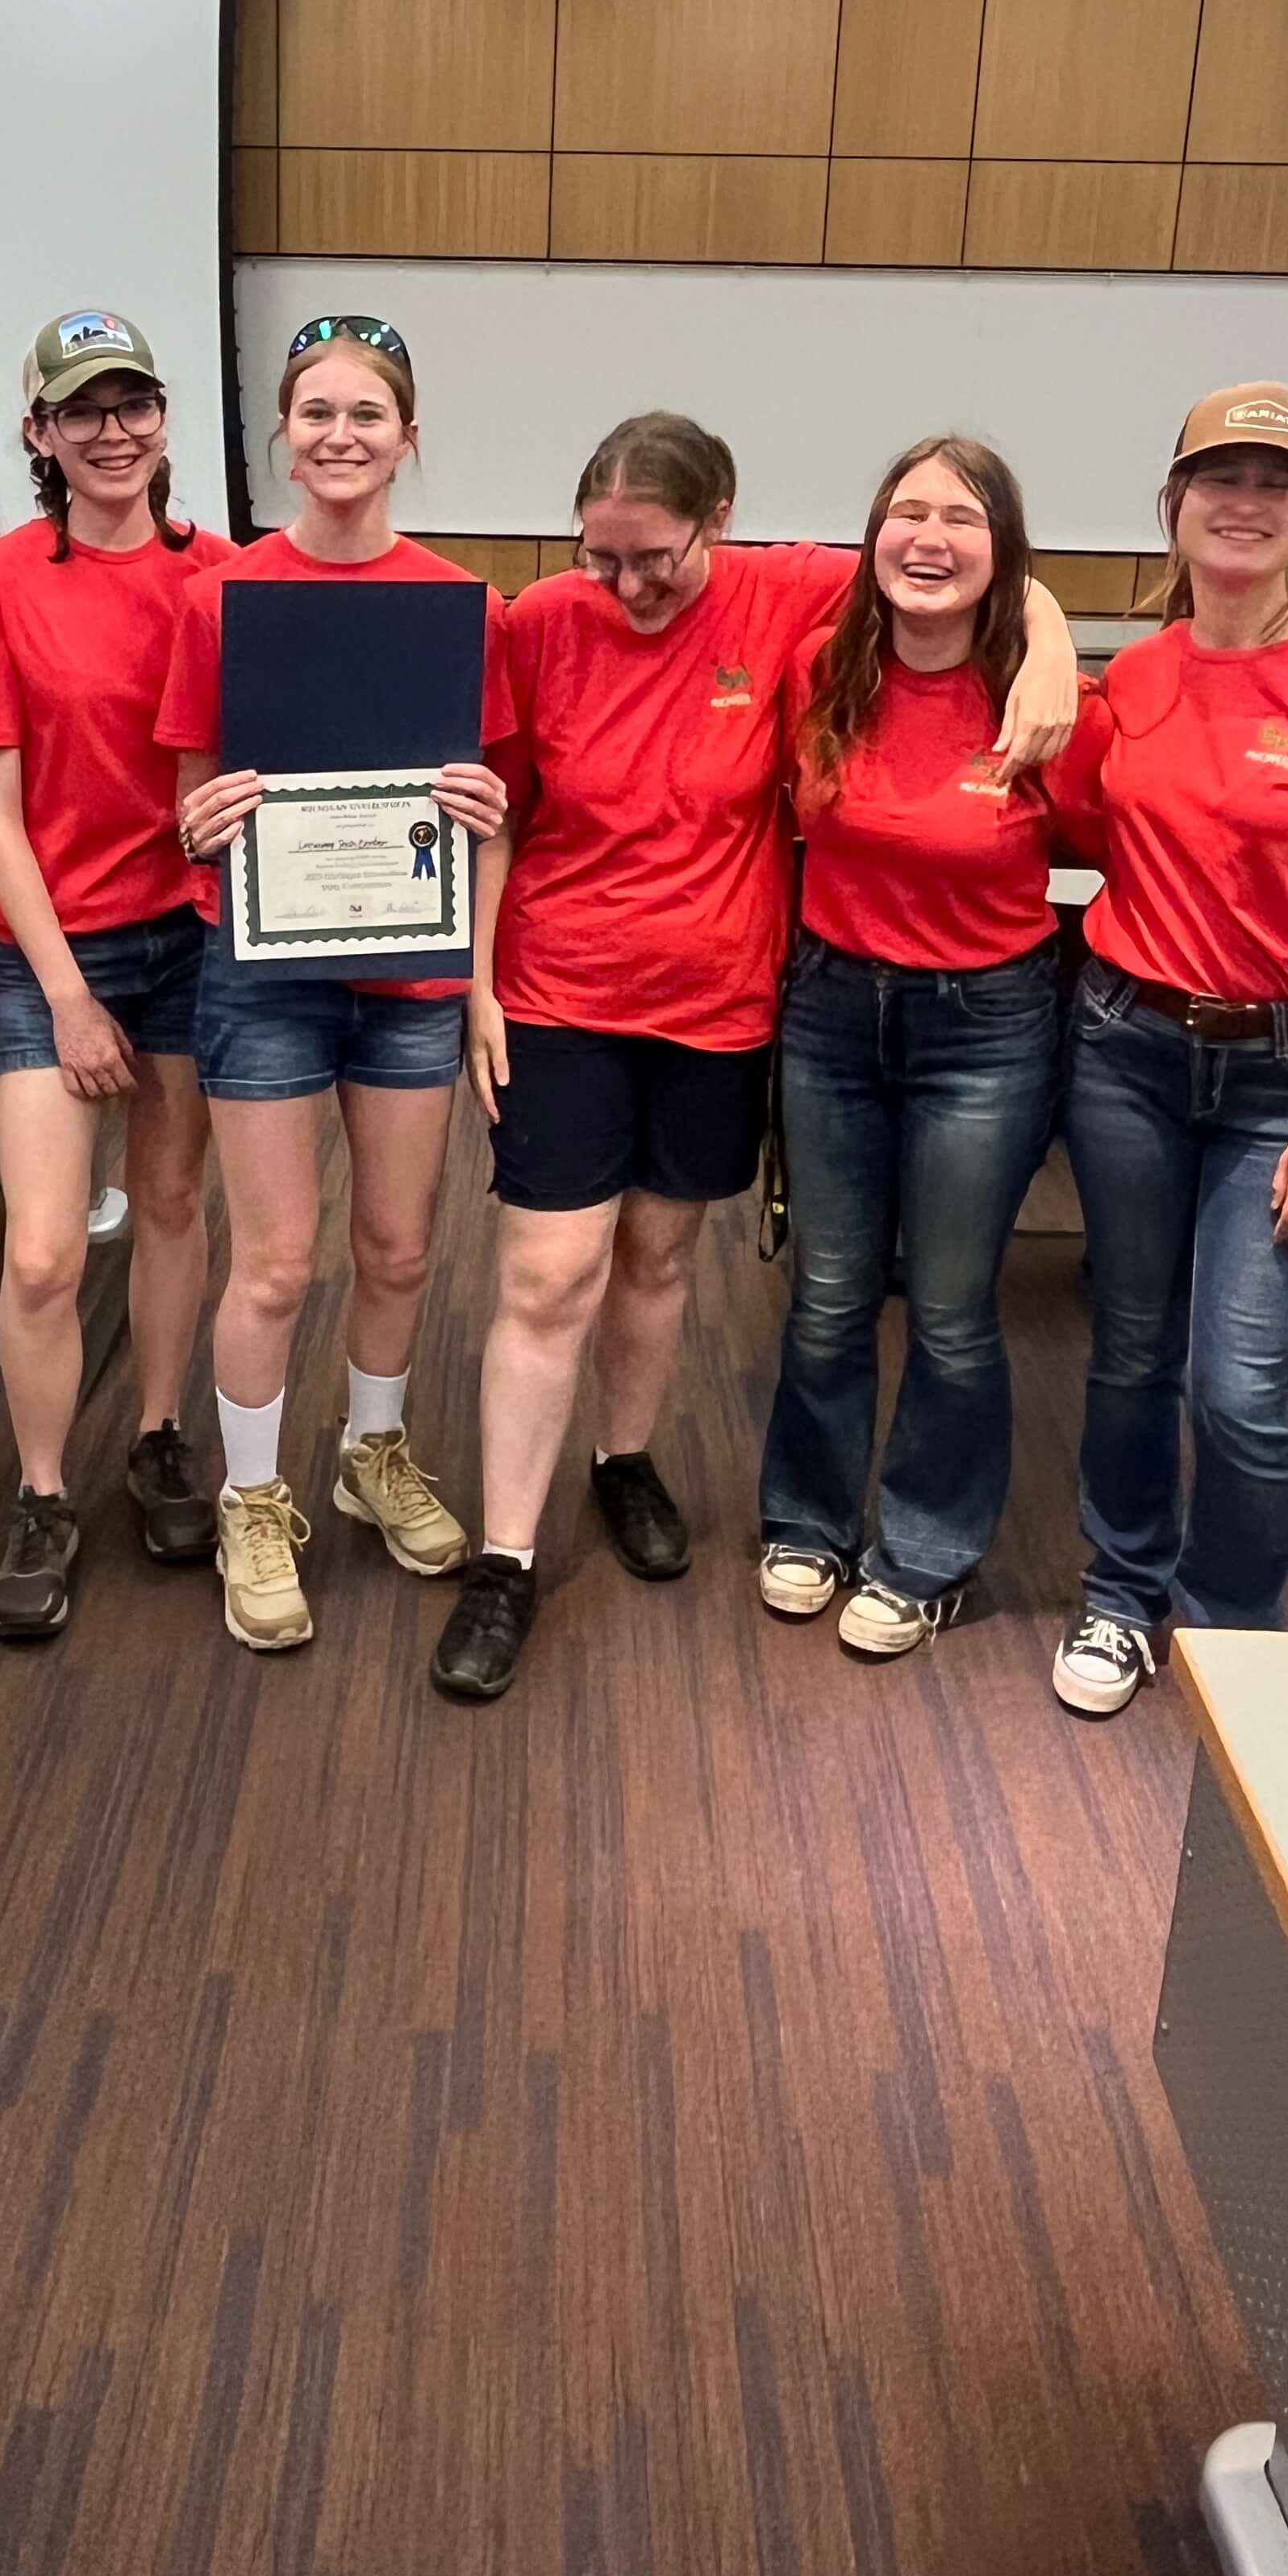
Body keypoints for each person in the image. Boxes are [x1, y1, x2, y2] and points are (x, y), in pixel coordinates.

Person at [433, 411, 1086, 1706]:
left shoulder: (785, 593)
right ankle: (505, 1558)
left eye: (655, 558)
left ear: (718, 522)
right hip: (563, 989)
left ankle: (626, 1462)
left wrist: (1055, 635)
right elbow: (493, 808)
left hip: (721, 1004)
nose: (625, 586)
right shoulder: (539, 623)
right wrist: (478, 982)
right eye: (600, 555)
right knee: (553, 1272)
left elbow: (945, 558)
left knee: (663, 1257)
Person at [1056, 381, 1288, 1716]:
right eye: (1219, 479)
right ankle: (1119, 1595)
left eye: (1277, 486)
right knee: (1131, 1351)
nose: (1245, 503)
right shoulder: (1138, 678)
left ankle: (1231, 1629)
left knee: (1241, 1387)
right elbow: (1084, 829)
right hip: (1126, 1059)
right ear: (1171, 506)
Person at [156, 314, 511, 1654]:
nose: (342, 435)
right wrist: (205, 824)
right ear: (284, 439)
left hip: (408, 984)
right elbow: (187, 794)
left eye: (369, 414)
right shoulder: (221, 602)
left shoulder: (461, 606)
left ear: (407, 439)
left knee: (401, 1248)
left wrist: (479, 832)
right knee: (278, 1261)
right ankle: (255, 1499)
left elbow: (498, 817)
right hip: (262, 973)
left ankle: (372, 1452)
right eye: (317, 413)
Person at [757, 437, 1110, 1661]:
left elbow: (1125, 849)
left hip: (988, 1031)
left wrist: (1051, 627)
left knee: (953, 1311)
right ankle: (806, 1520)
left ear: (1002, 549)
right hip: (831, 1015)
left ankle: (925, 1553)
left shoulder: (1042, 697)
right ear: (871, 536)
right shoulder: (819, 666)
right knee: (827, 1297)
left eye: (961, 518)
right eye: (906, 512)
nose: (928, 538)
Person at [0, 310, 234, 1643]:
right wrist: (63, 991)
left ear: (164, 421)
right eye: (83, 411)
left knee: (173, 1203)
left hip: (190, 937)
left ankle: (164, 1433)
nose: (112, 431)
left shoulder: (225, 574)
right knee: (49, 1255)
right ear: (40, 435)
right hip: (51, 951)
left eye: (134, 405)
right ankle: (46, 1490)